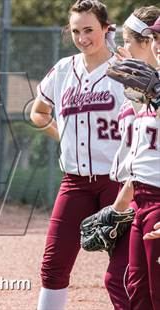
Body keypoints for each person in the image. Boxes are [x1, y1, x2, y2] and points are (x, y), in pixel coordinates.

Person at [30, 1, 129, 309]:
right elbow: (38, 112)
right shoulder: (63, 70)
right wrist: (63, 137)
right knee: (53, 267)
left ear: (105, 29)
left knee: (124, 272)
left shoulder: (124, 70)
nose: (82, 38)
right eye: (75, 31)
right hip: (74, 183)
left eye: (89, 30)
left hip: (118, 182)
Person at [107, 5, 160, 307]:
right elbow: (143, 158)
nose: (157, 45)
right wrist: (119, 207)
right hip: (139, 196)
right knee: (137, 291)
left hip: (156, 200)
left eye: (128, 41)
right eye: (155, 38)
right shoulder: (144, 89)